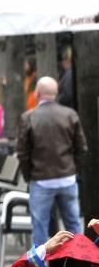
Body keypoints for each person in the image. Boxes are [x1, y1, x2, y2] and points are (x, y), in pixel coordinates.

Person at [16, 75, 87, 248]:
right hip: (67, 178)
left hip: (41, 180)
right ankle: (79, 265)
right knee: (74, 225)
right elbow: (81, 148)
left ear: (37, 93)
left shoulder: (28, 117)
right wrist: (73, 169)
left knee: (40, 228)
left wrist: (30, 176)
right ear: (56, 93)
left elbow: (23, 153)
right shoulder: (70, 114)